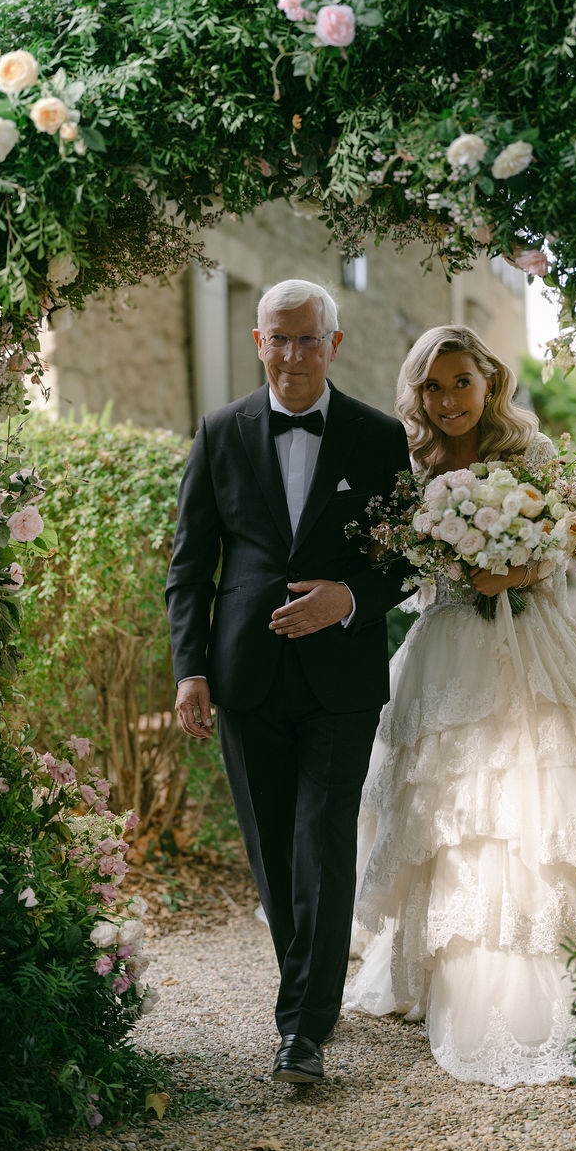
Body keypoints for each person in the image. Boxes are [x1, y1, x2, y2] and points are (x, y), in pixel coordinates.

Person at [343, 325, 576, 1087]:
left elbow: (564, 544)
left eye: (461, 382)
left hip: (533, 640)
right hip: (447, 646)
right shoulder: (413, 463)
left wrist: (515, 570)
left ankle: (570, 954)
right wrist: (455, 564)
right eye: (433, 387)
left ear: (489, 381)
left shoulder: (531, 452)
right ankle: (450, 968)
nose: (448, 400)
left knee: (549, 783)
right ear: (418, 395)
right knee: (451, 807)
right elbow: (403, 563)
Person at [166, 279, 410, 1086]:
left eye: (309, 339)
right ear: (258, 342)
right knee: (273, 852)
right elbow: (190, 567)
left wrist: (349, 598)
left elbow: (407, 559)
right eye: (280, 337)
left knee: (322, 844)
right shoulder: (219, 432)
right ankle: (312, 997)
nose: (293, 354)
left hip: (341, 679)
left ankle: (300, 1027)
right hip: (246, 676)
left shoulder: (378, 436)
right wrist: (191, 668)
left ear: (334, 344)